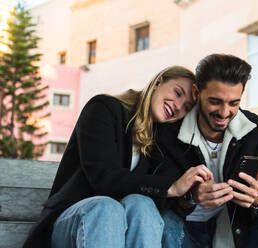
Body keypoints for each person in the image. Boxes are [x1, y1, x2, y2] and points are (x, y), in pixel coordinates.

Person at [23, 66, 213, 248]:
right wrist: (171, 187)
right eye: (177, 93)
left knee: (143, 204)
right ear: (159, 81)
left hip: (117, 230)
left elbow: (165, 199)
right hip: (72, 223)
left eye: (187, 107)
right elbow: (103, 177)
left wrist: (191, 194)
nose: (178, 106)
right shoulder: (103, 109)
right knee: (106, 207)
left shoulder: (160, 138)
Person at [152, 54, 258, 248]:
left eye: (234, 103)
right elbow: (158, 194)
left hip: (236, 231)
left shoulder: (255, 129)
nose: (224, 113)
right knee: (165, 222)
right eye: (215, 101)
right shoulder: (170, 129)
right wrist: (190, 197)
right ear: (197, 92)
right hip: (185, 232)